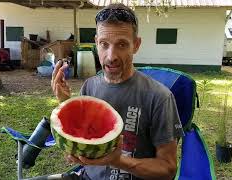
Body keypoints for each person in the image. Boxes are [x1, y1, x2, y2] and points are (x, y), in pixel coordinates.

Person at [51, 3, 184, 180]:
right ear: (96, 42)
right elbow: (83, 137)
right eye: (104, 44)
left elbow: (168, 170)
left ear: (136, 45)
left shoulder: (160, 97)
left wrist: (118, 161)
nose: (111, 56)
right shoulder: (89, 87)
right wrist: (66, 104)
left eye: (121, 44)